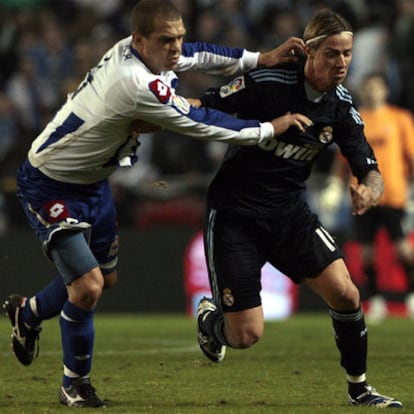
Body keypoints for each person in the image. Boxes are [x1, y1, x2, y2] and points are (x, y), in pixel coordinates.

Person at [2, 0, 307, 408]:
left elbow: (199, 54)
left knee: (104, 281)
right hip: (50, 184)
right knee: (88, 287)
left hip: (93, 184)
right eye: (167, 40)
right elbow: (202, 124)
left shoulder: (147, 55)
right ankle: (74, 384)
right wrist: (270, 128)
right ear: (140, 40)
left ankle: (29, 314)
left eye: (178, 36)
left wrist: (260, 58)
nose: (176, 48)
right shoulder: (135, 81)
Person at [192, 8, 403, 408]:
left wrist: (369, 191)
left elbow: (369, 168)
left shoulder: (340, 107)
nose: (341, 62)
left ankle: (359, 388)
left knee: (345, 293)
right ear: (308, 51)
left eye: (347, 54)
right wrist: (143, 115)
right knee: (246, 336)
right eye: (332, 54)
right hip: (236, 215)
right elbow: (200, 106)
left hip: (289, 214)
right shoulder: (266, 83)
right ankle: (210, 320)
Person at [322, 72, 414, 323]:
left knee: (403, 248)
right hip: (362, 195)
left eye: (376, 87)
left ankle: (411, 296)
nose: (372, 92)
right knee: (366, 252)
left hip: (393, 194)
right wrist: (333, 186)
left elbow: (411, 156)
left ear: (385, 90)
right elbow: (343, 158)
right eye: (367, 87)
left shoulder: (400, 118)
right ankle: (376, 301)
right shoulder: (356, 118)